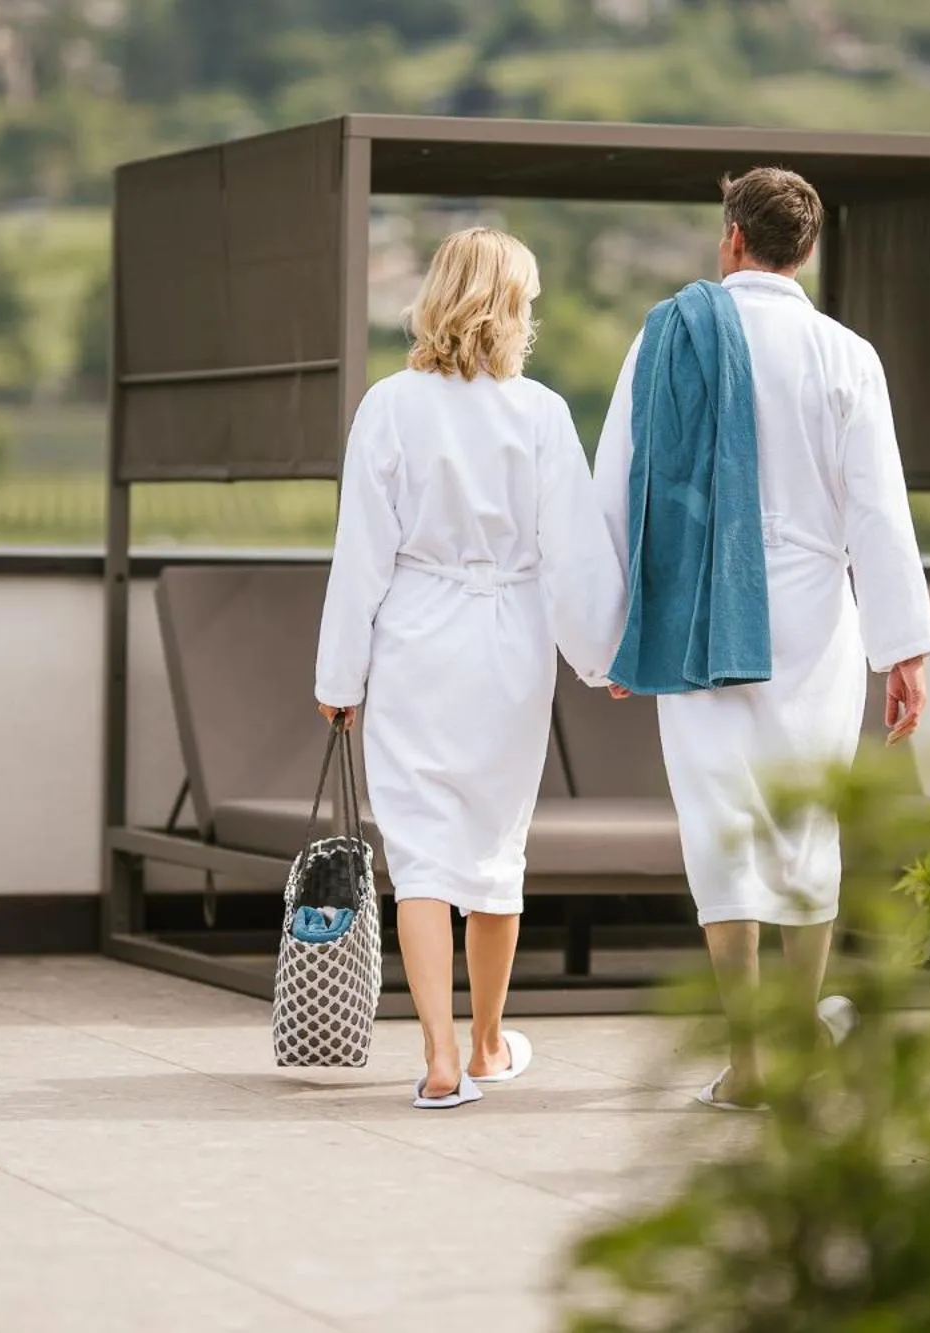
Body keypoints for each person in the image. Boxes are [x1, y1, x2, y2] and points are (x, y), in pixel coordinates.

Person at [593, 168, 930, 1110]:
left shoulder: (666, 336)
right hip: (816, 616)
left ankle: (747, 1063)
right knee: (804, 826)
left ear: (733, 239)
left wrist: (617, 629)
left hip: (699, 609)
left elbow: (616, 485)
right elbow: (879, 511)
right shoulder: (845, 355)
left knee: (720, 825)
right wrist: (901, 651)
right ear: (807, 251)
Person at [314, 227, 624, 1110]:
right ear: (512, 307)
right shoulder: (541, 413)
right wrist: (603, 657)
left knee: (420, 857)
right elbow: (572, 556)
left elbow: (360, 556)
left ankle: (440, 1057)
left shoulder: (388, 406)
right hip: (508, 646)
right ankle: (491, 1044)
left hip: (415, 635)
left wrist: (341, 679)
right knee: (494, 848)